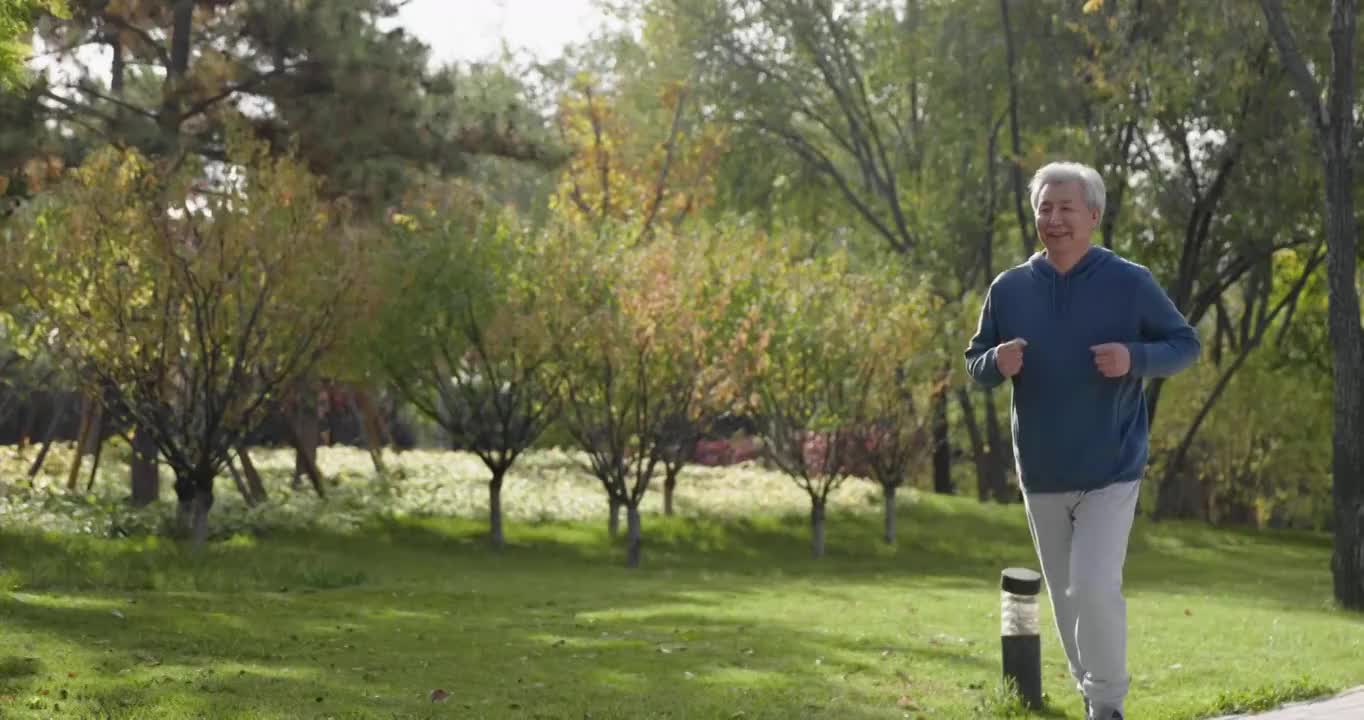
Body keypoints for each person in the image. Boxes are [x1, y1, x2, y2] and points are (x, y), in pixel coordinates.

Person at [964, 161, 1201, 720]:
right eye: (1045, 208)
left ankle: (1107, 705)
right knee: (1068, 599)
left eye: (1067, 208)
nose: (1054, 218)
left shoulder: (1130, 282)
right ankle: (1093, 694)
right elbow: (975, 364)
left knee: (1094, 587)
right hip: (1042, 471)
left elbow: (1185, 344)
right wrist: (996, 362)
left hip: (1111, 468)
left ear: (1093, 216)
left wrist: (1135, 358)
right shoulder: (1010, 288)